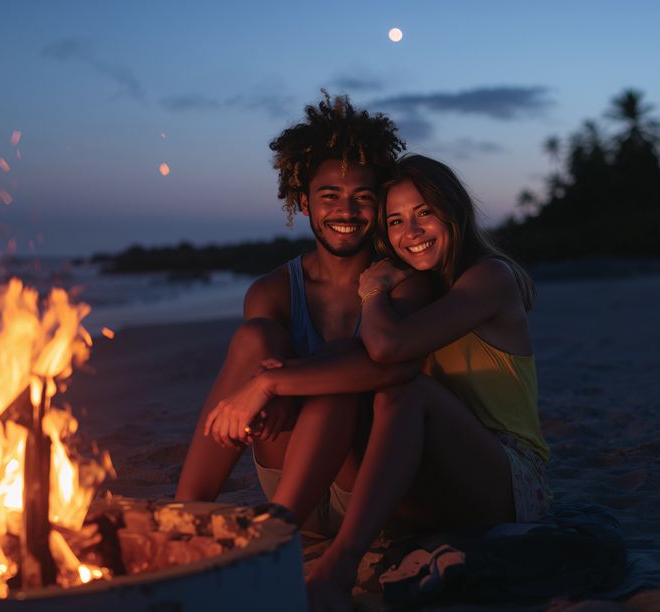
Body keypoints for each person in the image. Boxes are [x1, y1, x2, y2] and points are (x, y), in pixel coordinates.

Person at [209, 154, 551, 611]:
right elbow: (367, 357)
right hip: (435, 478)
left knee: (403, 389)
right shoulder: (415, 288)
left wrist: (370, 293)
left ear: (455, 211)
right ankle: (277, 535)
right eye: (395, 220)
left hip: (507, 480)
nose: (410, 232)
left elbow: (387, 351)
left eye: (424, 213)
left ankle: (338, 569)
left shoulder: (490, 277)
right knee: (355, 380)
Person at [175, 92, 425, 539]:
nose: (345, 211)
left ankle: (274, 541)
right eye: (329, 196)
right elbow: (261, 391)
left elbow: (388, 368)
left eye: (362, 197)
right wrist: (271, 398)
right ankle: (183, 517)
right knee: (254, 339)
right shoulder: (274, 291)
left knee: (341, 376)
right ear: (304, 201)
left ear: (380, 204)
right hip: (292, 481)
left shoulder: (404, 282)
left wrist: (278, 384)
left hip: (366, 491)